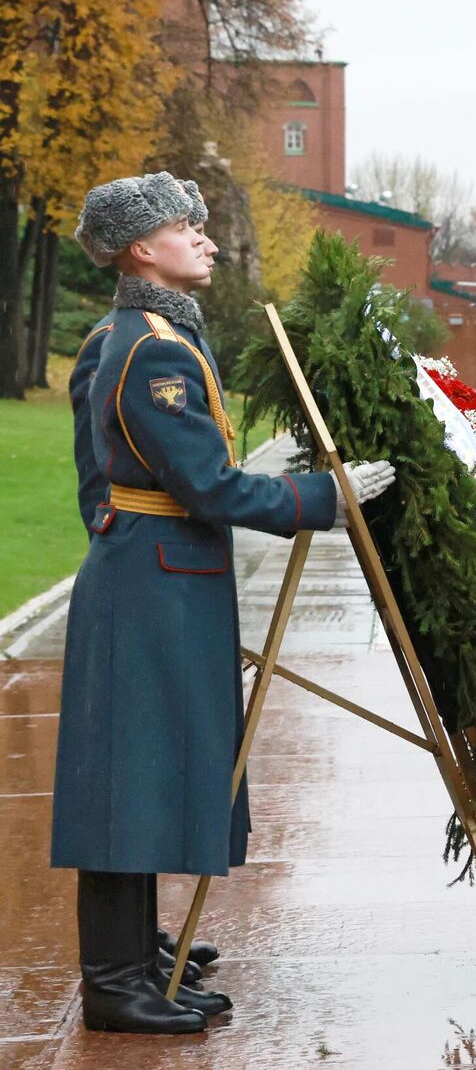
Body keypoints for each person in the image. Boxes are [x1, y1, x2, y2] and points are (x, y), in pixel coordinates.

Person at [58, 172, 394, 1032]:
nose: (206, 239)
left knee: (147, 770)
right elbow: (206, 487)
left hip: (154, 573)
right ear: (142, 249)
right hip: (155, 584)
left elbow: (104, 465)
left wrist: (114, 516)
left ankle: (134, 955)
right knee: (128, 781)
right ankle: (113, 983)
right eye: (187, 227)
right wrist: (324, 497)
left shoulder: (142, 334)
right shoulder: (153, 347)